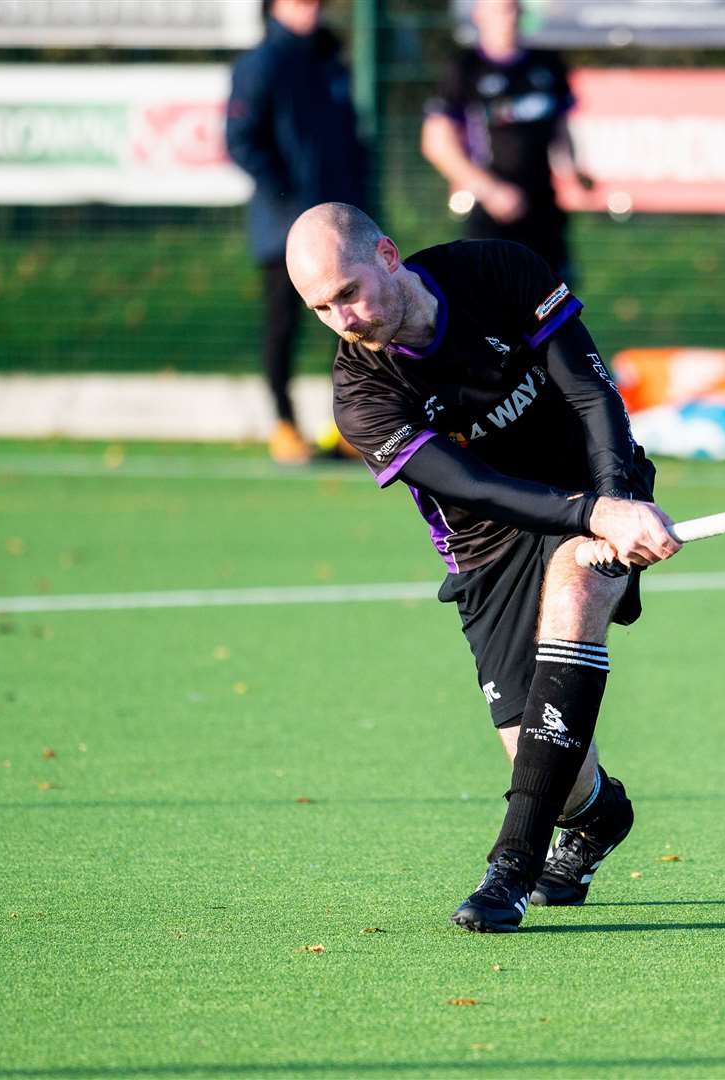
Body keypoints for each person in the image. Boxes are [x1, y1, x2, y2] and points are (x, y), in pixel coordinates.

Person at [284, 202, 680, 932]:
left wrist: (615, 500)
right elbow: (474, 488)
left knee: (575, 584)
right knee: (548, 767)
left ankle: (511, 869)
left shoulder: (500, 272)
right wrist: (592, 516)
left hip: (597, 482)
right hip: (487, 544)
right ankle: (598, 817)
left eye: (348, 292)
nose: (342, 318)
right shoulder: (362, 396)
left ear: (390, 257)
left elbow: (592, 393)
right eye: (320, 308)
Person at [226, 0, 368, 464]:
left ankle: (348, 429)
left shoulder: (329, 58)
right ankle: (284, 424)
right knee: (284, 325)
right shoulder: (261, 63)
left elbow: (349, 138)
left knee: (352, 327)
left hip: (342, 227)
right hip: (284, 229)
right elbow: (242, 139)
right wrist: (289, 201)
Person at [420, 0, 590, 278]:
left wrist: (574, 172)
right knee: (490, 301)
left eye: (512, 8)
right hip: (490, 211)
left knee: (553, 302)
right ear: (479, 15)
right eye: (499, 9)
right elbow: (436, 143)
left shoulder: (547, 64)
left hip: (542, 204)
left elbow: (560, 131)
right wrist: (490, 190)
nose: (508, 17)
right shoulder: (465, 68)